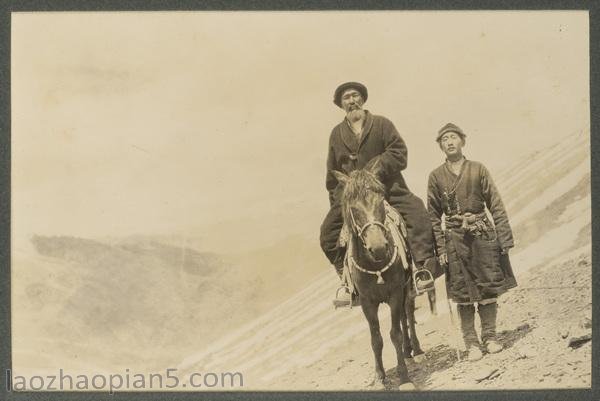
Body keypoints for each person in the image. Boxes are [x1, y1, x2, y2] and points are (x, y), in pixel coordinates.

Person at [320, 81, 437, 307]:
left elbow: (399, 153)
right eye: (346, 98)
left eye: (355, 96)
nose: (352, 101)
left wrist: (376, 168)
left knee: (417, 214)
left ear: (362, 99)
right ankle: (347, 282)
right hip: (353, 197)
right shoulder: (336, 134)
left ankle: (421, 270)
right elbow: (331, 174)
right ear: (341, 105)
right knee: (327, 234)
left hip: (386, 189)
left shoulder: (382, 124)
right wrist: (340, 202)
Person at [427, 122, 518, 361]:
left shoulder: (478, 169)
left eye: (453, 137)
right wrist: (440, 249)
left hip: (482, 234)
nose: (449, 142)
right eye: (444, 139)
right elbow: (433, 216)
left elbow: (495, 204)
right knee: (463, 292)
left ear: (462, 141)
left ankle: (490, 336)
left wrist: (504, 237)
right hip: (454, 239)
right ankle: (471, 344)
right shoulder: (435, 176)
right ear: (441, 146)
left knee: (488, 286)